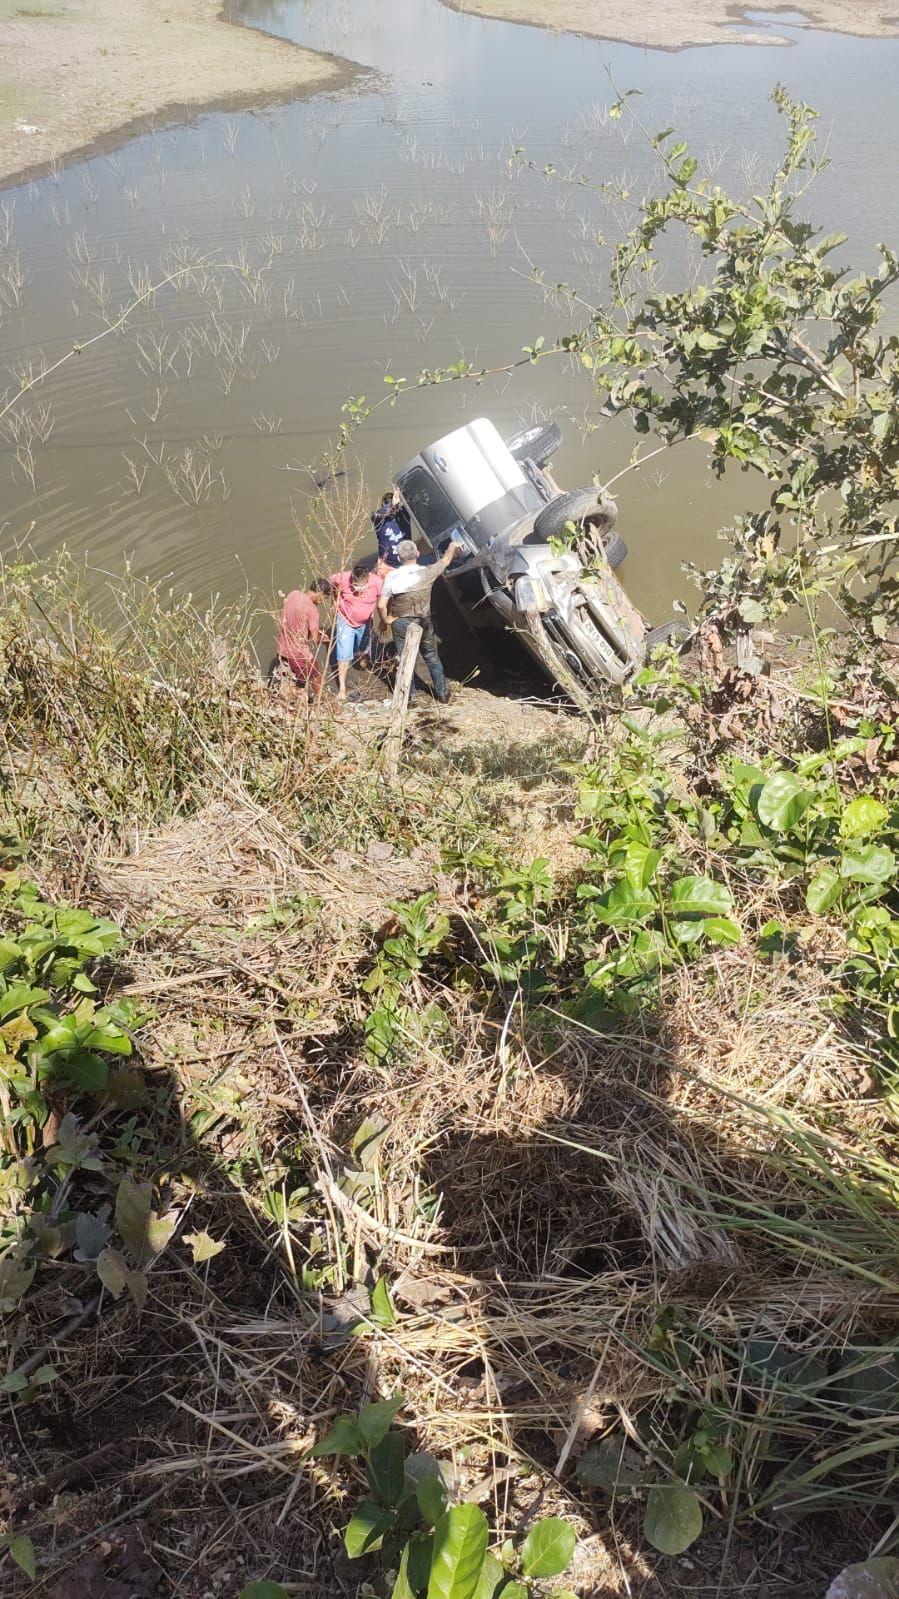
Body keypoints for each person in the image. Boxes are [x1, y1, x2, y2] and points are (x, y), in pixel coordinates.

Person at [377, 538, 461, 704]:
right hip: (423, 619)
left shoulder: (392, 576)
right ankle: (442, 694)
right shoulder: (427, 572)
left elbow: (381, 605)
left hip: (401, 622)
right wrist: (452, 546)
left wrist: (386, 619)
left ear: (399, 558)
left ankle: (409, 697)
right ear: (417, 554)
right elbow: (445, 560)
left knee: (405, 658)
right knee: (431, 655)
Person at [328, 561, 384, 701]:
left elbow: (384, 600)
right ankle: (342, 688)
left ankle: (362, 661)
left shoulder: (377, 582)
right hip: (345, 621)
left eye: (362, 585)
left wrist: (384, 620)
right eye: (355, 585)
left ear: (367, 579)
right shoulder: (343, 578)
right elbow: (330, 581)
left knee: (362, 647)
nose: (358, 589)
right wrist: (334, 600)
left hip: (365, 623)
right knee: (343, 654)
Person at [275, 578, 331, 692]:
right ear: (320, 593)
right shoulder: (312, 610)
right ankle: (319, 703)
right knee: (316, 676)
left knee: (297, 677)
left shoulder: (293, 594)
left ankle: (295, 695)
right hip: (297, 652)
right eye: (324, 598)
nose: (322, 602)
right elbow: (313, 639)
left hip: (281, 646)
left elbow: (285, 613)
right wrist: (325, 640)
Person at [372, 490, 412, 568]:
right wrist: (393, 505)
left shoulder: (404, 514)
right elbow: (375, 515)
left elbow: (410, 501)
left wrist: (399, 497)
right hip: (388, 564)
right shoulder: (379, 519)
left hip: (406, 561)